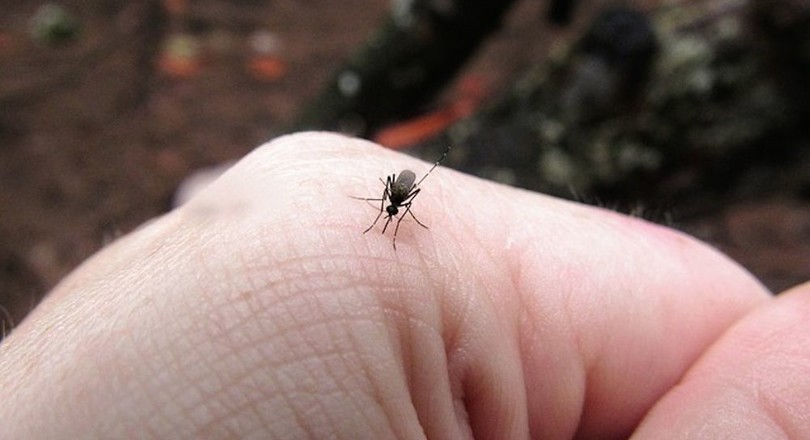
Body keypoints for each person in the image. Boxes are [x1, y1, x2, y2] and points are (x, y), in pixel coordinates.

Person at [0, 132, 807, 438]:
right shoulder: (388, 206)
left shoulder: (402, 201)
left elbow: (401, 200)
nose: (393, 209)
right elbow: (390, 203)